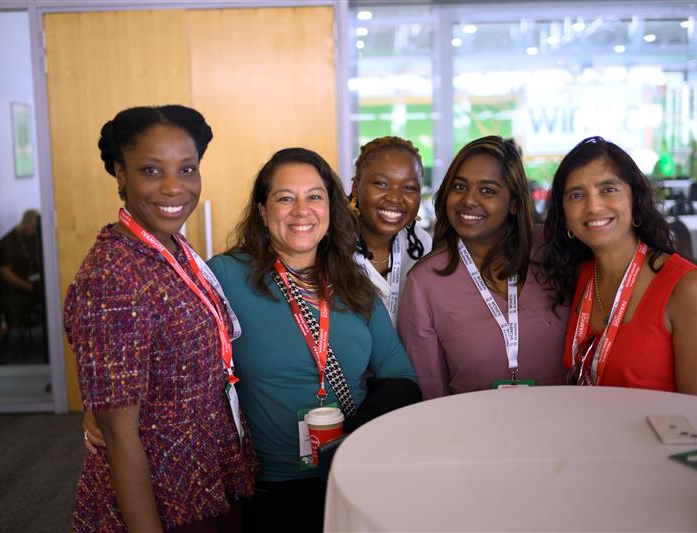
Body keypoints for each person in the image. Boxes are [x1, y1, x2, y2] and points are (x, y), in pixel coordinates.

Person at [65, 105, 256, 532]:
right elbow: (117, 434)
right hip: (161, 498)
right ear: (120, 174)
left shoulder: (169, 248)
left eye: (187, 169)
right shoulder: (112, 277)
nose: (174, 188)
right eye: (152, 171)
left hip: (205, 477)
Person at [208, 147, 418, 532]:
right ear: (262, 210)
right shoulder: (224, 276)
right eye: (285, 198)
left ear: (330, 207)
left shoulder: (355, 285)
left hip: (351, 475)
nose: (301, 211)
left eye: (314, 197)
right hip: (268, 488)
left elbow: (401, 378)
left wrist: (353, 437)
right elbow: (170, 345)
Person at [541, 136, 697, 397]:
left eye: (608, 189)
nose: (593, 206)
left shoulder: (685, 287)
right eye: (577, 195)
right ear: (565, 216)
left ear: (635, 200)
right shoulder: (580, 274)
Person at [398, 136, 568, 400]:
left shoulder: (555, 250)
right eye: (459, 187)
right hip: (471, 432)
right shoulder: (425, 282)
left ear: (513, 201)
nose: (469, 200)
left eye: (487, 190)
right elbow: (431, 394)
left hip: (567, 423)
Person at [349, 136, 432, 324]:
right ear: (356, 187)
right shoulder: (330, 244)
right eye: (381, 184)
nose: (395, 198)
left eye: (409, 187)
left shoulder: (421, 244)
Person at [0, 209, 43, 331]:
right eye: (34, 229)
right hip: (11, 290)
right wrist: (29, 287)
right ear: (26, 224)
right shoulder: (8, 242)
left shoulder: (28, 238)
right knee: (44, 292)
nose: (35, 233)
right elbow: (6, 274)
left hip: (27, 283)